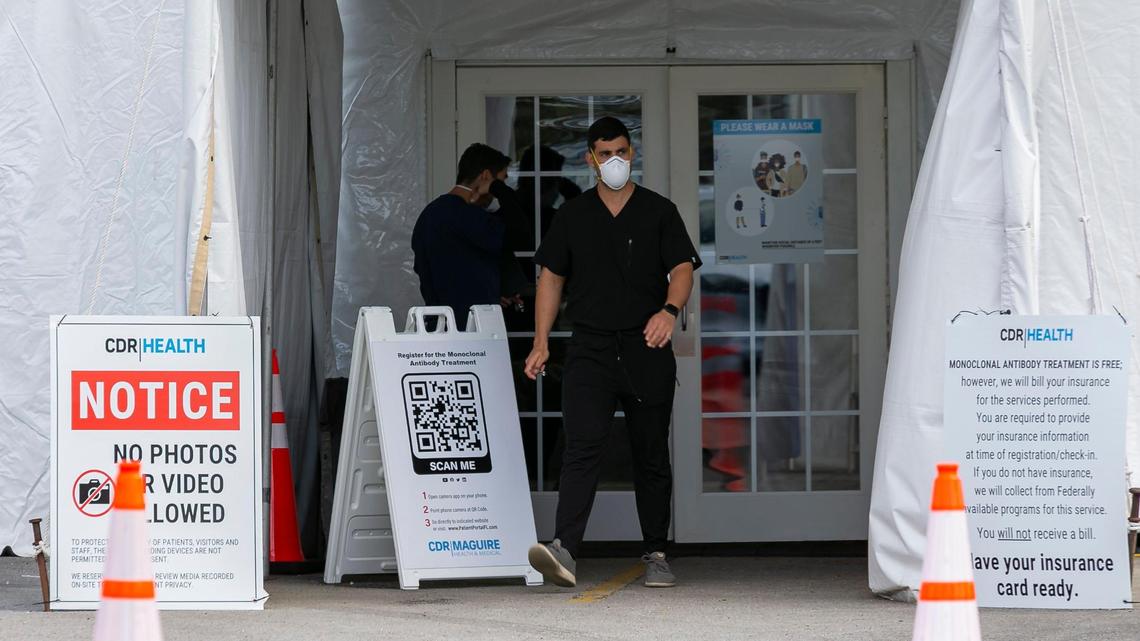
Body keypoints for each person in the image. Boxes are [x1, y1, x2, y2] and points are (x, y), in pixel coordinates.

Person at [524, 116, 701, 589]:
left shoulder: (659, 211)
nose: (614, 160)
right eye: (604, 153)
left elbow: (683, 267)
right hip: (591, 348)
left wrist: (669, 310)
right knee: (582, 447)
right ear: (590, 159)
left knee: (650, 454)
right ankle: (564, 549)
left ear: (632, 152)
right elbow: (551, 279)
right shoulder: (574, 215)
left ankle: (656, 552)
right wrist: (541, 341)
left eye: (621, 151)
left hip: (646, 347)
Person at [411, 143, 513, 330]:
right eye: (500, 180)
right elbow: (512, 236)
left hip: (435, 324)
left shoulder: (428, 215)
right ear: (485, 176)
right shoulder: (474, 218)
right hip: (475, 328)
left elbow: (421, 266)